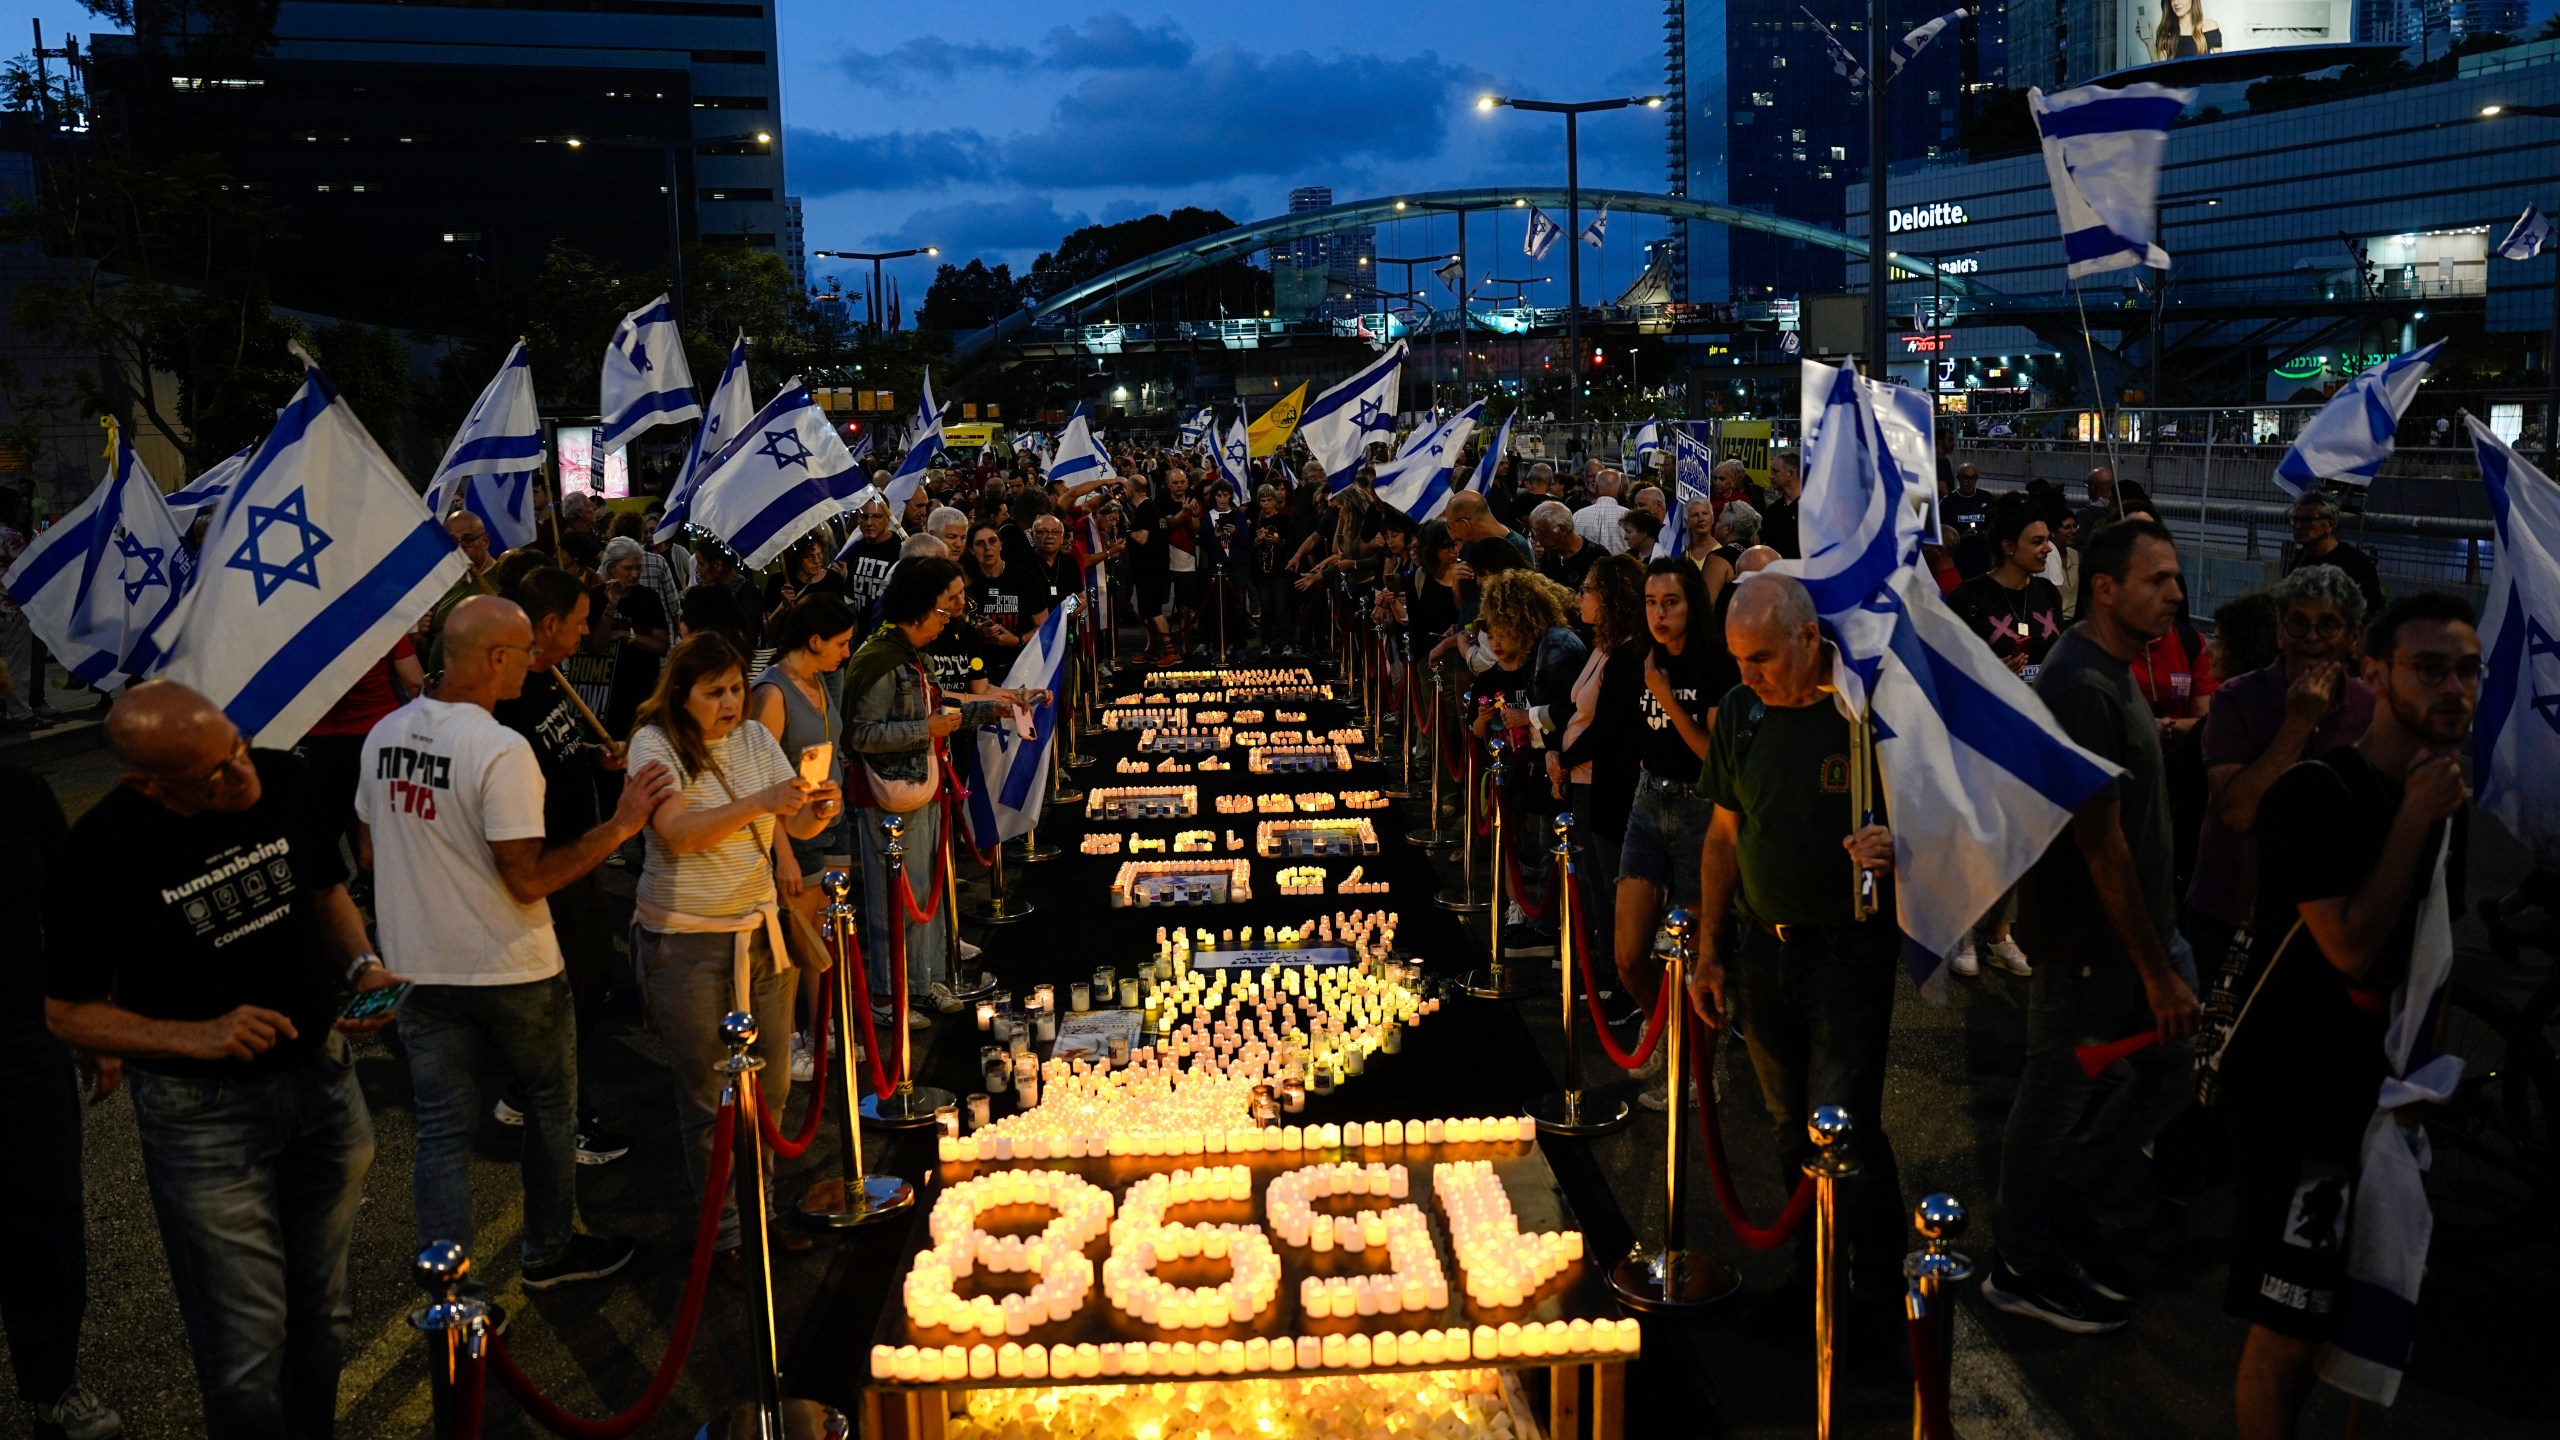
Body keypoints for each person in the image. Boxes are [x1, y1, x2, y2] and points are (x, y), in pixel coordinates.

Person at [43, 681, 407, 1438]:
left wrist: (363, 963)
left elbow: (323, 891)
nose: (241, 775)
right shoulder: (99, 852)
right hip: (204, 1122)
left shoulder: (285, 777)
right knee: (245, 1351)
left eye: (237, 747)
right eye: (213, 775)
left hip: (323, 1081)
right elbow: (65, 1011)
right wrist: (197, 1036)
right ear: (147, 783)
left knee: (324, 1316)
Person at [361, 595, 672, 1299]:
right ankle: (548, 1250)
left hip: (417, 967)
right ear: (497, 657)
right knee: (551, 1107)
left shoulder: (385, 734)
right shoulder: (500, 750)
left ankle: (452, 1295)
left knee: (443, 1131)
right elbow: (528, 879)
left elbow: (370, 850)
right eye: (526, 650)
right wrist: (621, 825)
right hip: (510, 966)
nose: (535, 661)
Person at [2222, 594, 2475, 1440]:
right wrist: (2413, 816)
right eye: (2429, 669)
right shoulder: (2315, 792)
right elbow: (2351, 946)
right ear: (2374, 672)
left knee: (2352, 1314)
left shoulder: (2439, 797)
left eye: (2467, 671)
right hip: (2301, 1099)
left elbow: (2431, 953)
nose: (2454, 689)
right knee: (2288, 1330)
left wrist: (2422, 1084)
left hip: (2381, 1097)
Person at [1988, 518, 2203, 1334]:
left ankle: (2069, 1199)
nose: (2176, 594)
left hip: (2138, 937)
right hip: (2094, 947)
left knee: (2174, 1070)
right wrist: (2157, 970)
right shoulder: (2083, 686)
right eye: (2158, 580)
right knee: (2052, 1096)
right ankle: (2021, 1261)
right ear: (2105, 589)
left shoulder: (2114, 666)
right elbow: (2101, 846)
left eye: (2176, 577)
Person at [1688, 573, 1906, 1343]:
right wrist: (1710, 951)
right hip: (1761, 950)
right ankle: (1815, 1278)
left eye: (1762, 658)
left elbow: (1935, 821)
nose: (1747, 675)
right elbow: (1723, 836)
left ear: (1810, 639)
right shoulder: (1741, 714)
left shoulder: (1865, 714)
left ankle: (1877, 1293)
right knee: (1789, 1129)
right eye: (1738, 659)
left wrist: (1895, 845)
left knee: (1842, 1128)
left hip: (1846, 953)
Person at [626, 633, 841, 1276]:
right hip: (686, 944)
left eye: (736, 689)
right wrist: (762, 802)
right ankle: (726, 1237)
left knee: (771, 1086)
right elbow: (678, 833)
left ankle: (761, 1214)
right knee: (709, 1097)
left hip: (761, 934)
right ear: (680, 693)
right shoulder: (655, 745)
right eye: (713, 691)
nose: (729, 703)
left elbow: (789, 824)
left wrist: (817, 811)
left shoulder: (752, 739)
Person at [842, 557, 1041, 1021]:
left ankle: (924, 979)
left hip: (924, 786)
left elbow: (942, 712)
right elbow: (860, 735)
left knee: (925, 890)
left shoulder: (910, 654)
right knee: (897, 899)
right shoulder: (879, 660)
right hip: (890, 797)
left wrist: (995, 708)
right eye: (945, 606)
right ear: (918, 608)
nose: (951, 615)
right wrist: (925, 729)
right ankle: (890, 995)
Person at [493, 567, 639, 1162]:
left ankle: (527, 1092)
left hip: (583, 853)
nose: (586, 633)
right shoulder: (506, 695)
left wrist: (590, 753)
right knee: (565, 994)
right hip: (550, 865)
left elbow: (552, 750)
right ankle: (561, 1117)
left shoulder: (551, 677)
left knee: (592, 978)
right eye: (580, 622)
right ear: (549, 624)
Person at [1, 760, 119, 1440]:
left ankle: (52, 1385)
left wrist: (92, 1023)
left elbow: (70, 907)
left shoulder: (18, 789)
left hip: (23, 1035)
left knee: (46, 1219)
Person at [2185, 566, 2373, 969]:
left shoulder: (2372, 711)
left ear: (2354, 637)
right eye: (2297, 623)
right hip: (2230, 914)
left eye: (2329, 625)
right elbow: (2237, 812)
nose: (2311, 638)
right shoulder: (2235, 700)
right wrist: (2298, 723)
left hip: (2327, 922)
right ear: (2279, 632)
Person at [1613, 559, 1729, 1107]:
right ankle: (1662, 1029)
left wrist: (1664, 696)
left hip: (1700, 809)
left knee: (1700, 958)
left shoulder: (1716, 663)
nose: (1659, 614)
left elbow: (1713, 755)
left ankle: (1700, 1073)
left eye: (1671, 602)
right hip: (1648, 800)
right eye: (1651, 603)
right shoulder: (1641, 656)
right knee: (1628, 956)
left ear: (1692, 605)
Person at [751, 593, 859, 1079]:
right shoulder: (773, 694)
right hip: (795, 831)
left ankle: (822, 1027)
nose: (846, 652)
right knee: (798, 937)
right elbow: (760, 780)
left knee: (824, 934)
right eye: (840, 643)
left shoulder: (818, 679)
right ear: (814, 640)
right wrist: (783, 855)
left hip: (831, 819)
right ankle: (790, 1038)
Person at [1548, 554, 1649, 977]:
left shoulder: (1628, 654)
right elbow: (1577, 710)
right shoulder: (1602, 646)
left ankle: (1617, 974)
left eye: (1588, 589)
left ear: (1612, 597)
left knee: (1608, 884)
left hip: (1605, 780)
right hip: (1584, 776)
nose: (1579, 597)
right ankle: (1603, 966)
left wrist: (1564, 759)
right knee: (1592, 882)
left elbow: (1609, 725)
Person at [590, 536, 671, 738]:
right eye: (628, 568)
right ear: (611, 567)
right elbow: (595, 647)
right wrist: (611, 606)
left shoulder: (648, 598)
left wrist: (626, 635)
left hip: (643, 692)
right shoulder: (595, 597)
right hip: (606, 697)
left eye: (638, 568)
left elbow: (662, 646)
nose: (635, 574)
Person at [2283, 491, 2386, 619]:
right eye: (2296, 519)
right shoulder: (2300, 559)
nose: (2298, 526)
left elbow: (2373, 613)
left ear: (2330, 524)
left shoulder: (2355, 563)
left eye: (2307, 520)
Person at [964, 523, 1030, 660]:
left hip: (1020, 662)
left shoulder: (1024, 577)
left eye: (992, 541)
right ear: (971, 550)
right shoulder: (965, 582)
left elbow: (1043, 625)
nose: (987, 548)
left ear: (1001, 544)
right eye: (980, 543)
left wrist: (1018, 640)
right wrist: (975, 634)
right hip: (979, 662)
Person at [836, 497, 905, 620]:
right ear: (858, 519)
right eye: (864, 517)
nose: (869, 523)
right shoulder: (854, 548)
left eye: (876, 517)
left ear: (887, 519)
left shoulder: (900, 550)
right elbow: (850, 596)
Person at [1528, 500, 1598, 595]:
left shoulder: (1595, 557)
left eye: (1541, 533)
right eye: (1534, 533)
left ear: (1562, 530)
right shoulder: (1549, 556)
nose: (1537, 539)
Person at [1943, 463, 1995, 578]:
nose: (1970, 482)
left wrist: (1986, 534)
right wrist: (1960, 537)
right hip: (1959, 560)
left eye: (1973, 478)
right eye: (1966, 478)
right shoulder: (1948, 502)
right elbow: (1943, 533)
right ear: (1958, 479)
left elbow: (1995, 524)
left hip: (1982, 558)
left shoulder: (1986, 498)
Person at [1572, 469, 1631, 555]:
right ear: (1620, 489)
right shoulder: (1629, 516)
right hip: (1621, 563)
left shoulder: (1578, 515)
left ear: (1596, 488)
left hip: (1586, 563)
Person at [1760, 452, 1802, 559]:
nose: (1770, 476)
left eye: (1775, 471)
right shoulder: (1773, 511)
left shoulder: (1812, 509)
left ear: (1790, 474)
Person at [2153, 0, 2222, 58]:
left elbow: (2221, 63)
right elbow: (2161, 67)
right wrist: (2149, 43)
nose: (2176, 3)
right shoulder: (2165, 32)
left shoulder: (2210, 27)